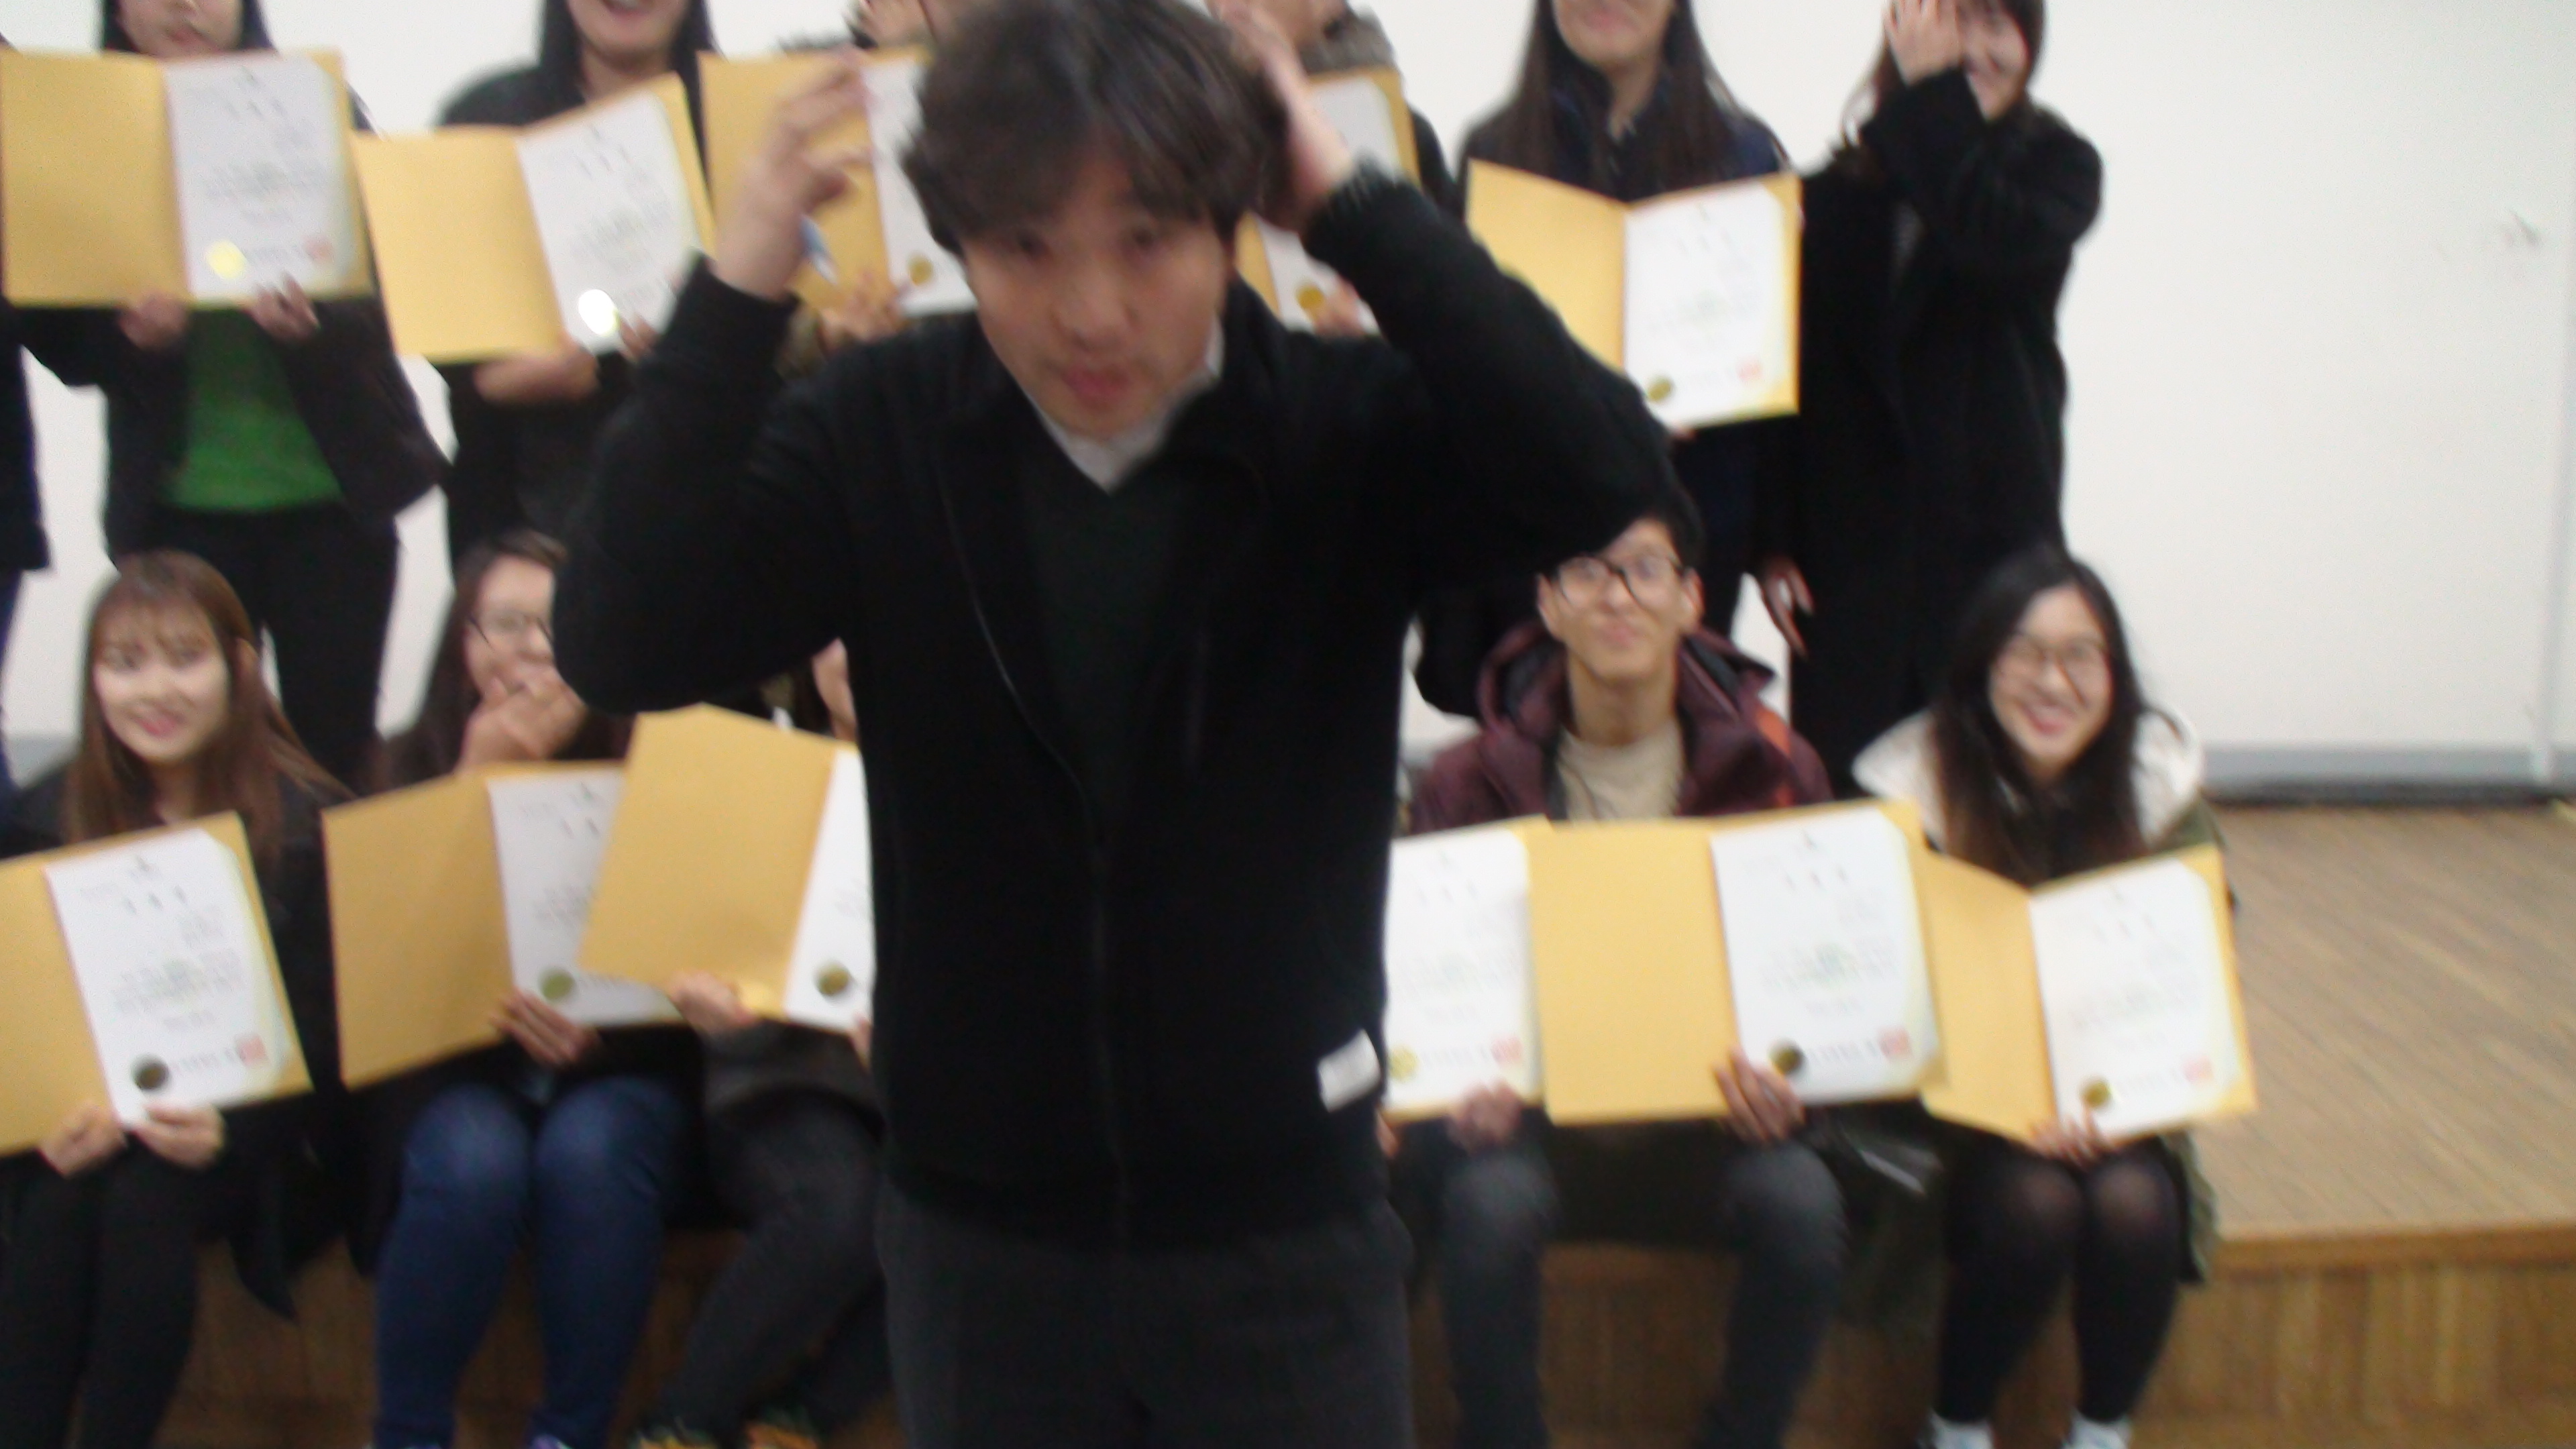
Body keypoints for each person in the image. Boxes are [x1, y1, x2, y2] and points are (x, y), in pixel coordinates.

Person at [553, 0, 1672, 1439]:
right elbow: (621, 635)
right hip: (983, 1241)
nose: (1090, 313)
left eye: (1147, 240)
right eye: (1027, 249)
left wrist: (1355, 205)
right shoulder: (881, 429)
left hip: (1286, 1229)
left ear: (1235, 220)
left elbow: (1603, 473)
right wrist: (736, 291)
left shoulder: (1339, 427)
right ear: (959, 244)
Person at [1400, 492, 1839, 1449]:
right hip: (1530, 1128)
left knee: (1803, 1205)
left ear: (1691, 599)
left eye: (1644, 570)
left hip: (1708, 1124)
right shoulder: (1467, 781)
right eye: (1586, 572)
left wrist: (1793, 1085)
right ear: (1548, 604)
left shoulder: (1777, 771)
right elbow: (1419, 990)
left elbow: (1818, 984)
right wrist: (1451, 1093)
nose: (1617, 596)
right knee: (1486, 1205)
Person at [1854, 544, 2218, 1449]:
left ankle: (2101, 1433)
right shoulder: (1913, 797)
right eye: (2025, 653)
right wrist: (2006, 1105)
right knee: (2037, 1206)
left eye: (2080, 656)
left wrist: (2125, 1105)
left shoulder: (2160, 794)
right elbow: (1882, 999)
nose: (2053, 682)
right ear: (1982, 668)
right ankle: (1956, 1429)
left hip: (2117, 1108)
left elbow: (2196, 982)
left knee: (2134, 1206)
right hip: (1951, 1120)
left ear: (2114, 676)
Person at [29, 0, 445, 788]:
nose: (185, 6)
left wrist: (310, 327)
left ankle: (324, 875)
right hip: (179, 507)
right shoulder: (85, 135)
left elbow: (398, 288)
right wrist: (133, 338)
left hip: (333, 500)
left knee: (334, 747)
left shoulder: (312, 106)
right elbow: (61, 341)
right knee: (191, 758)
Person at [0, 551, 348, 1449]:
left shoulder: (307, 823)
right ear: (93, 681)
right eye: (125, 663)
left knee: (144, 1200)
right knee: (56, 1204)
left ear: (239, 667)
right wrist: (42, 1124)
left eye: (183, 658)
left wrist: (229, 1128)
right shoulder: (41, 816)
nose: (154, 690)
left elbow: (330, 1038)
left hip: (247, 1137)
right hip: (86, 1125)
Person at [358, 530, 697, 1449]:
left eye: (562, 624)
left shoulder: (661, 760)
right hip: (455, 1071)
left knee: (593, 1154)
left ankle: (568, 1435)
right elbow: (381, 983)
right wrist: (477, 780)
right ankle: (408, 1433)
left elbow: (696, 977)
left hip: (619, 1071)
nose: (536, 649)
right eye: (506, 624)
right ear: (462, 643)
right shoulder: (400, 763)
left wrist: (603, 1037)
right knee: (475, 1163)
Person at [1756, 0, 2101, 792]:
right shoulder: (1832, 192)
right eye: (1953, 23)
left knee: (1986, 791)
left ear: (2031, 41)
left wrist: (1932, 96)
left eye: (1996, 25)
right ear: (1902, 30)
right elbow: (1793, 366)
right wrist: (1774, 537)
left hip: (1991, 543)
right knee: (1848, 796)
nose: (1972, 49)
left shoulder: (2056, 169)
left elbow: (1986, 239)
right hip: (1851, 558)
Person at [1412, 0, 1786, 716]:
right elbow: (1465, 359)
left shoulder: (1745, 156)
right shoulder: (1495, 152)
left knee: (1684, 749)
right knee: (1530, 748)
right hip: (1532, 530)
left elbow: (1774, 383)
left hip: (1692, 514)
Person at [632, 645, 892, 1449]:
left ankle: (798, 1421)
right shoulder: (754, 778)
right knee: (840, 1201)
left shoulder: (978, 791)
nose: (860, 651)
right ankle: (682, 1423)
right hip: (784, 1084)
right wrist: (716, 1005)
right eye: (838, 632)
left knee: (977, 1211)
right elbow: (698, 955)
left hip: (929, 1090)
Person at [436, 0, 716, 561]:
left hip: (713, 495)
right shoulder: (483, 119)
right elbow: (443, 320)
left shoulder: (743, 120)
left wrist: (708, 347)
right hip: (523, 503)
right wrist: (496, 382)